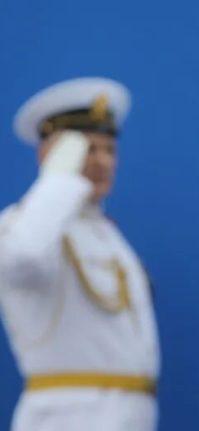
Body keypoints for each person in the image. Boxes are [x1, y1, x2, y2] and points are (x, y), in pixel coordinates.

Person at [0, 77, 160, 431]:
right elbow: (22, 258)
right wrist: (59, 178)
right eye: (86, 150)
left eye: (109, 150)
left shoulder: (108, 235)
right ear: (49, 156)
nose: (102, 161)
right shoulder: (20, 225)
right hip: (68, 417)